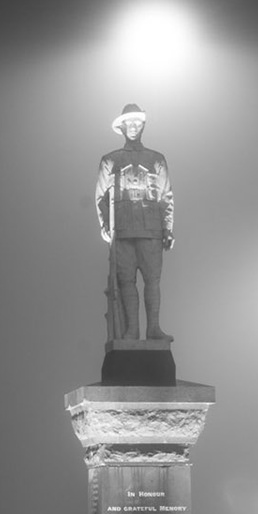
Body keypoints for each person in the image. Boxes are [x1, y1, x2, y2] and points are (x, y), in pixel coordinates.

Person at [94, 103, 174, 341]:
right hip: (122, 229)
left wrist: (168, 228)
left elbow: (166, 196)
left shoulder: (157, 159)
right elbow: (100, 196)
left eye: (137, 123)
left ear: (143, 126)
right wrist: (104, 226)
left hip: (151, 229)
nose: (133, 127)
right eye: (129, 123)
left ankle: (154, 328)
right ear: (121, 127)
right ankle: (132, 330)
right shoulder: (110, 160)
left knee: (152, 282)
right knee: (126, 282)